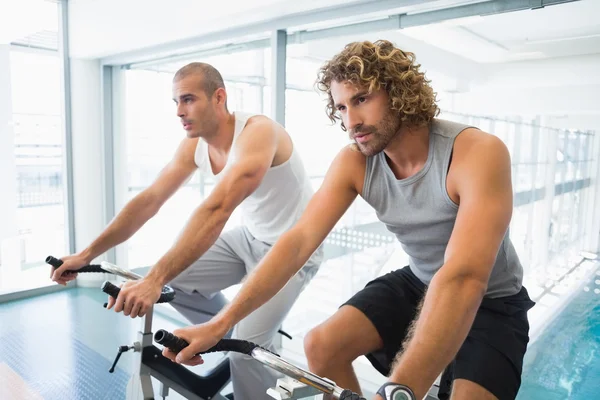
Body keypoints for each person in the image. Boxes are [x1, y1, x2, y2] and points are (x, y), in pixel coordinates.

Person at [162, 40, 536, 400]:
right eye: (341, 107)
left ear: (399, 93)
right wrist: (218, 325)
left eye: (361, 99)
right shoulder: (355, 161)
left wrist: (398, 389)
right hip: (419, 280)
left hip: (493, 299)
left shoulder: (476, 152)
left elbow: (464, 276)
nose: (351, 120)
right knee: (321, 345)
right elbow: (297, 241)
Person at [50, 62, 322, 400]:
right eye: (176, 102)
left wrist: (152, 281)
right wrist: (86, 254)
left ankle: (242, 342)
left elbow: (217, 209)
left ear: (219, 97)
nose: (179, 111)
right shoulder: (194, 146)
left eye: (189, 99)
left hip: (293, 251)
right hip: (248, 239)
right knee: (176, 280)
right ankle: (227, 331)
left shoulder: (259, 132)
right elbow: (149, 200)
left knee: (243, 348)